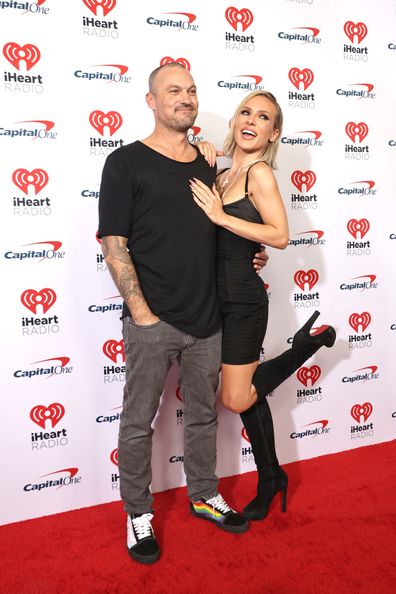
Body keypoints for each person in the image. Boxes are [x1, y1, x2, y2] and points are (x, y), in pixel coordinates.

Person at [98, 63, 268, 565]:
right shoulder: (124, 162)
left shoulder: (208, 164)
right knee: (137, 422)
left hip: (208, 318)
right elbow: (114, 244)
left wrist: (252, 254)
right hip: (153, 320)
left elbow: (222, 229)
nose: (185, 98)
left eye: (191, 90)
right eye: (173, 91)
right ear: (151, 101)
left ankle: (203, 493)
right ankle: (137, 512)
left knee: (202, 417)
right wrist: (141, 313)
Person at [190, 90, 336, 521]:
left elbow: (280, 235)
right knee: (250, 394)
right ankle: (272, 477)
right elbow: (239, 238)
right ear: (236, 121)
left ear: (274, 131)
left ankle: (309, 344)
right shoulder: (222, 175)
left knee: (236, 397)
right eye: (246, 112)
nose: (251, 120)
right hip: (214, 299)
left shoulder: (260, 173)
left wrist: (223, 218)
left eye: (264, 117)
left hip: (244, 303)